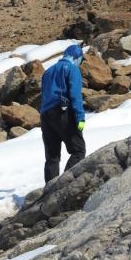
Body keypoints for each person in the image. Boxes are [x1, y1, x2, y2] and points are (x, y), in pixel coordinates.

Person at [39, 43, 86, 184]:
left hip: (45, 116)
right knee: (78, 151)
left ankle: (49, 191)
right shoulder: (72, 69)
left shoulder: (48, 71)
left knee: (52, 157)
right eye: (81, 60)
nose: (80, 63)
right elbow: (75, 94)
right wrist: (80, 117)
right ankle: (64, 185)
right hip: (62, 112)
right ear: (76, 57)